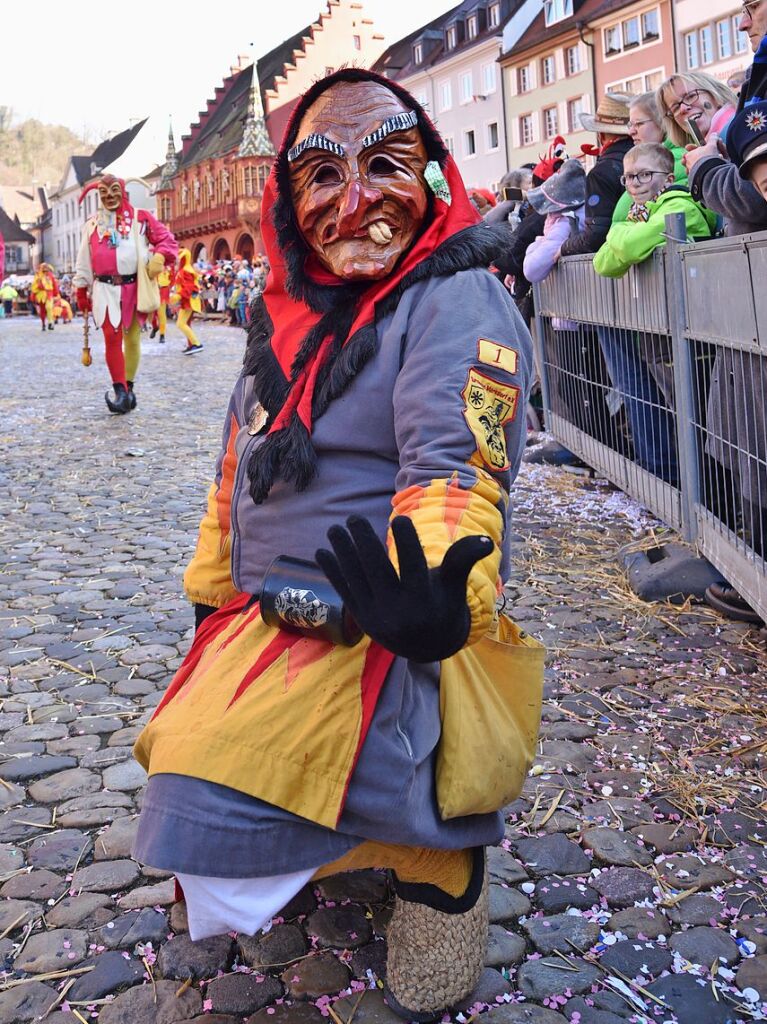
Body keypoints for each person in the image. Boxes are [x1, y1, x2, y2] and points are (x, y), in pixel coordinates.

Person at [132, 67, 535, 1022]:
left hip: (385, 629)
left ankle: (438, 860)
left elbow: (456, 465)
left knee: (220, 817)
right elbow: (236, 473)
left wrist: (437, 586)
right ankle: (340, 829)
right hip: (267, 629)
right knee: (187, 813)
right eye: (320, 176)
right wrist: (209, 591)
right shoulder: (285, 319)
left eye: (385, 166)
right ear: (287, 199)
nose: (353, 203)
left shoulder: (454, 301)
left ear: (429, 177)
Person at [73, 174, 178, 413]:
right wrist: (81, 288)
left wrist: (160, 256)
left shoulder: (141, 219)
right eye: (104, 193)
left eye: (113, 191)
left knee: (131, 338)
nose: (109, 197)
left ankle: (128, 387)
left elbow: (168, 240)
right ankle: (120, 390)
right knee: (112, 337)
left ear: (122, 191)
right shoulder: (91, 225)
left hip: (133, 288)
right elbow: (84, 259)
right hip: (104, 289)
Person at [560, 94, 633, 257]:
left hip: (618, 264)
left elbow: (596, 235)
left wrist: (565, 248)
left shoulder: (601, 173)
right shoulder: (650, 158)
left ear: (601, 135)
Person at [658, 72, 737, 150]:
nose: (683, 109)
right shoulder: (703, 148)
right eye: (675, 108)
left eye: (691, 96)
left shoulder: (739, 127)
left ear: (714, 94)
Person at [174, 248, 204, 353]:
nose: (177, 261)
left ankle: (197, 344)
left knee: (180, 324)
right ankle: (192, 344)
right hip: (187, 299)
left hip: (189, 300)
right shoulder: (185, 270)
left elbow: (189, 287)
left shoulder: (186, 270)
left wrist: (178, 296)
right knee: (186, 323)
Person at [29, 263, 60, 331]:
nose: (45, 271)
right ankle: (43, 324)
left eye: (46, 269)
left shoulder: (50, 276)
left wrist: (57, 294)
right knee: (42, 310)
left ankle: (50, 323)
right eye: (44, 269)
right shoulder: (38, 276)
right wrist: (38, 285)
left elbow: (54, 285)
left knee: (49, 308)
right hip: (41, 295)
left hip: (49, 294)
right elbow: (34, 286)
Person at [150, 265, 172, 343]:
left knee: (161, 314)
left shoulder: (168, 268)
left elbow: (171, 280)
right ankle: (155, 327)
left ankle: (162, 335)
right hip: (153, 292)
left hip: (163, 292)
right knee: (151, 314)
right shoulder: (153, 266)